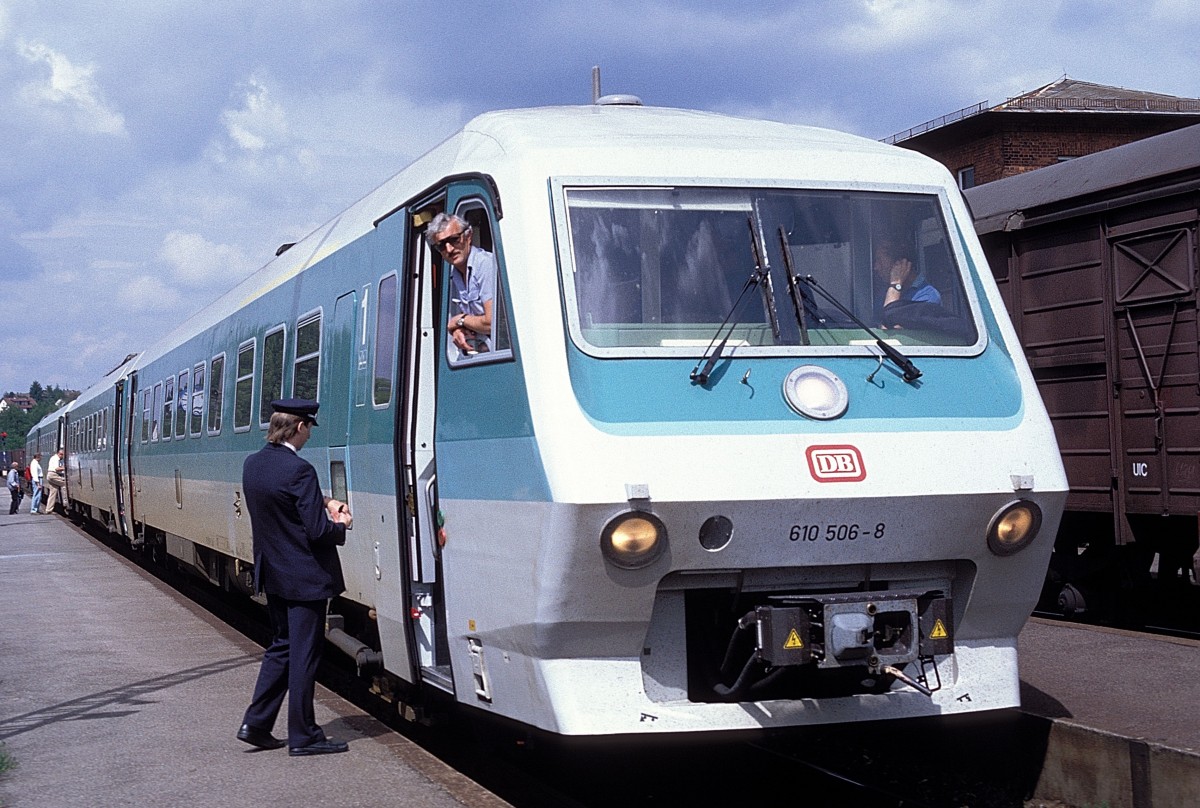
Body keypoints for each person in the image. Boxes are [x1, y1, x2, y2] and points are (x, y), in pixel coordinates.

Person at [237, 398, 354, 757]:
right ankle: (303, 735)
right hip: (305, 578)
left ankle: (256, 724)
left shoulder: (254, 465)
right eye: (308, 430)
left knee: (282, 648)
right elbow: (318, 532)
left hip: (274, 575)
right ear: (300, 427)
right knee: (304, 656)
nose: (308, 438)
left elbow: (283, 497)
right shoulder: (300, 470)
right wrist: (341, 525)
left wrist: (324, 500)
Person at [424, 212, 496, 356]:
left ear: (468, 236)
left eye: (454, 240)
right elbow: (460, 323)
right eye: (442, 246)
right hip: (476, 354)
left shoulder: (485, 264)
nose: (449, 249)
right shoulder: (452, 275)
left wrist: (459, 321)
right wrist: (457, 329)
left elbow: (491, 323)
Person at [873, 237, 941, 328]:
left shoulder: (928, 297)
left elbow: (890, 331)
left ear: (900, 264)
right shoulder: (883, 294)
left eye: (880, 262)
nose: (876, 267)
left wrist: (895, 284)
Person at [44, 448, 68, 515]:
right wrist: (65, 467)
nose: (62, 457)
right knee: (64, 484)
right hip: (53, 475)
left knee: (53, 492)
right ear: (60, 454)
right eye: (62, 455)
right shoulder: (56, 459)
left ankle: (48, 509)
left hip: (50, 475)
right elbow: (56, 469)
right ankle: (66, 502)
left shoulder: (53, 458)